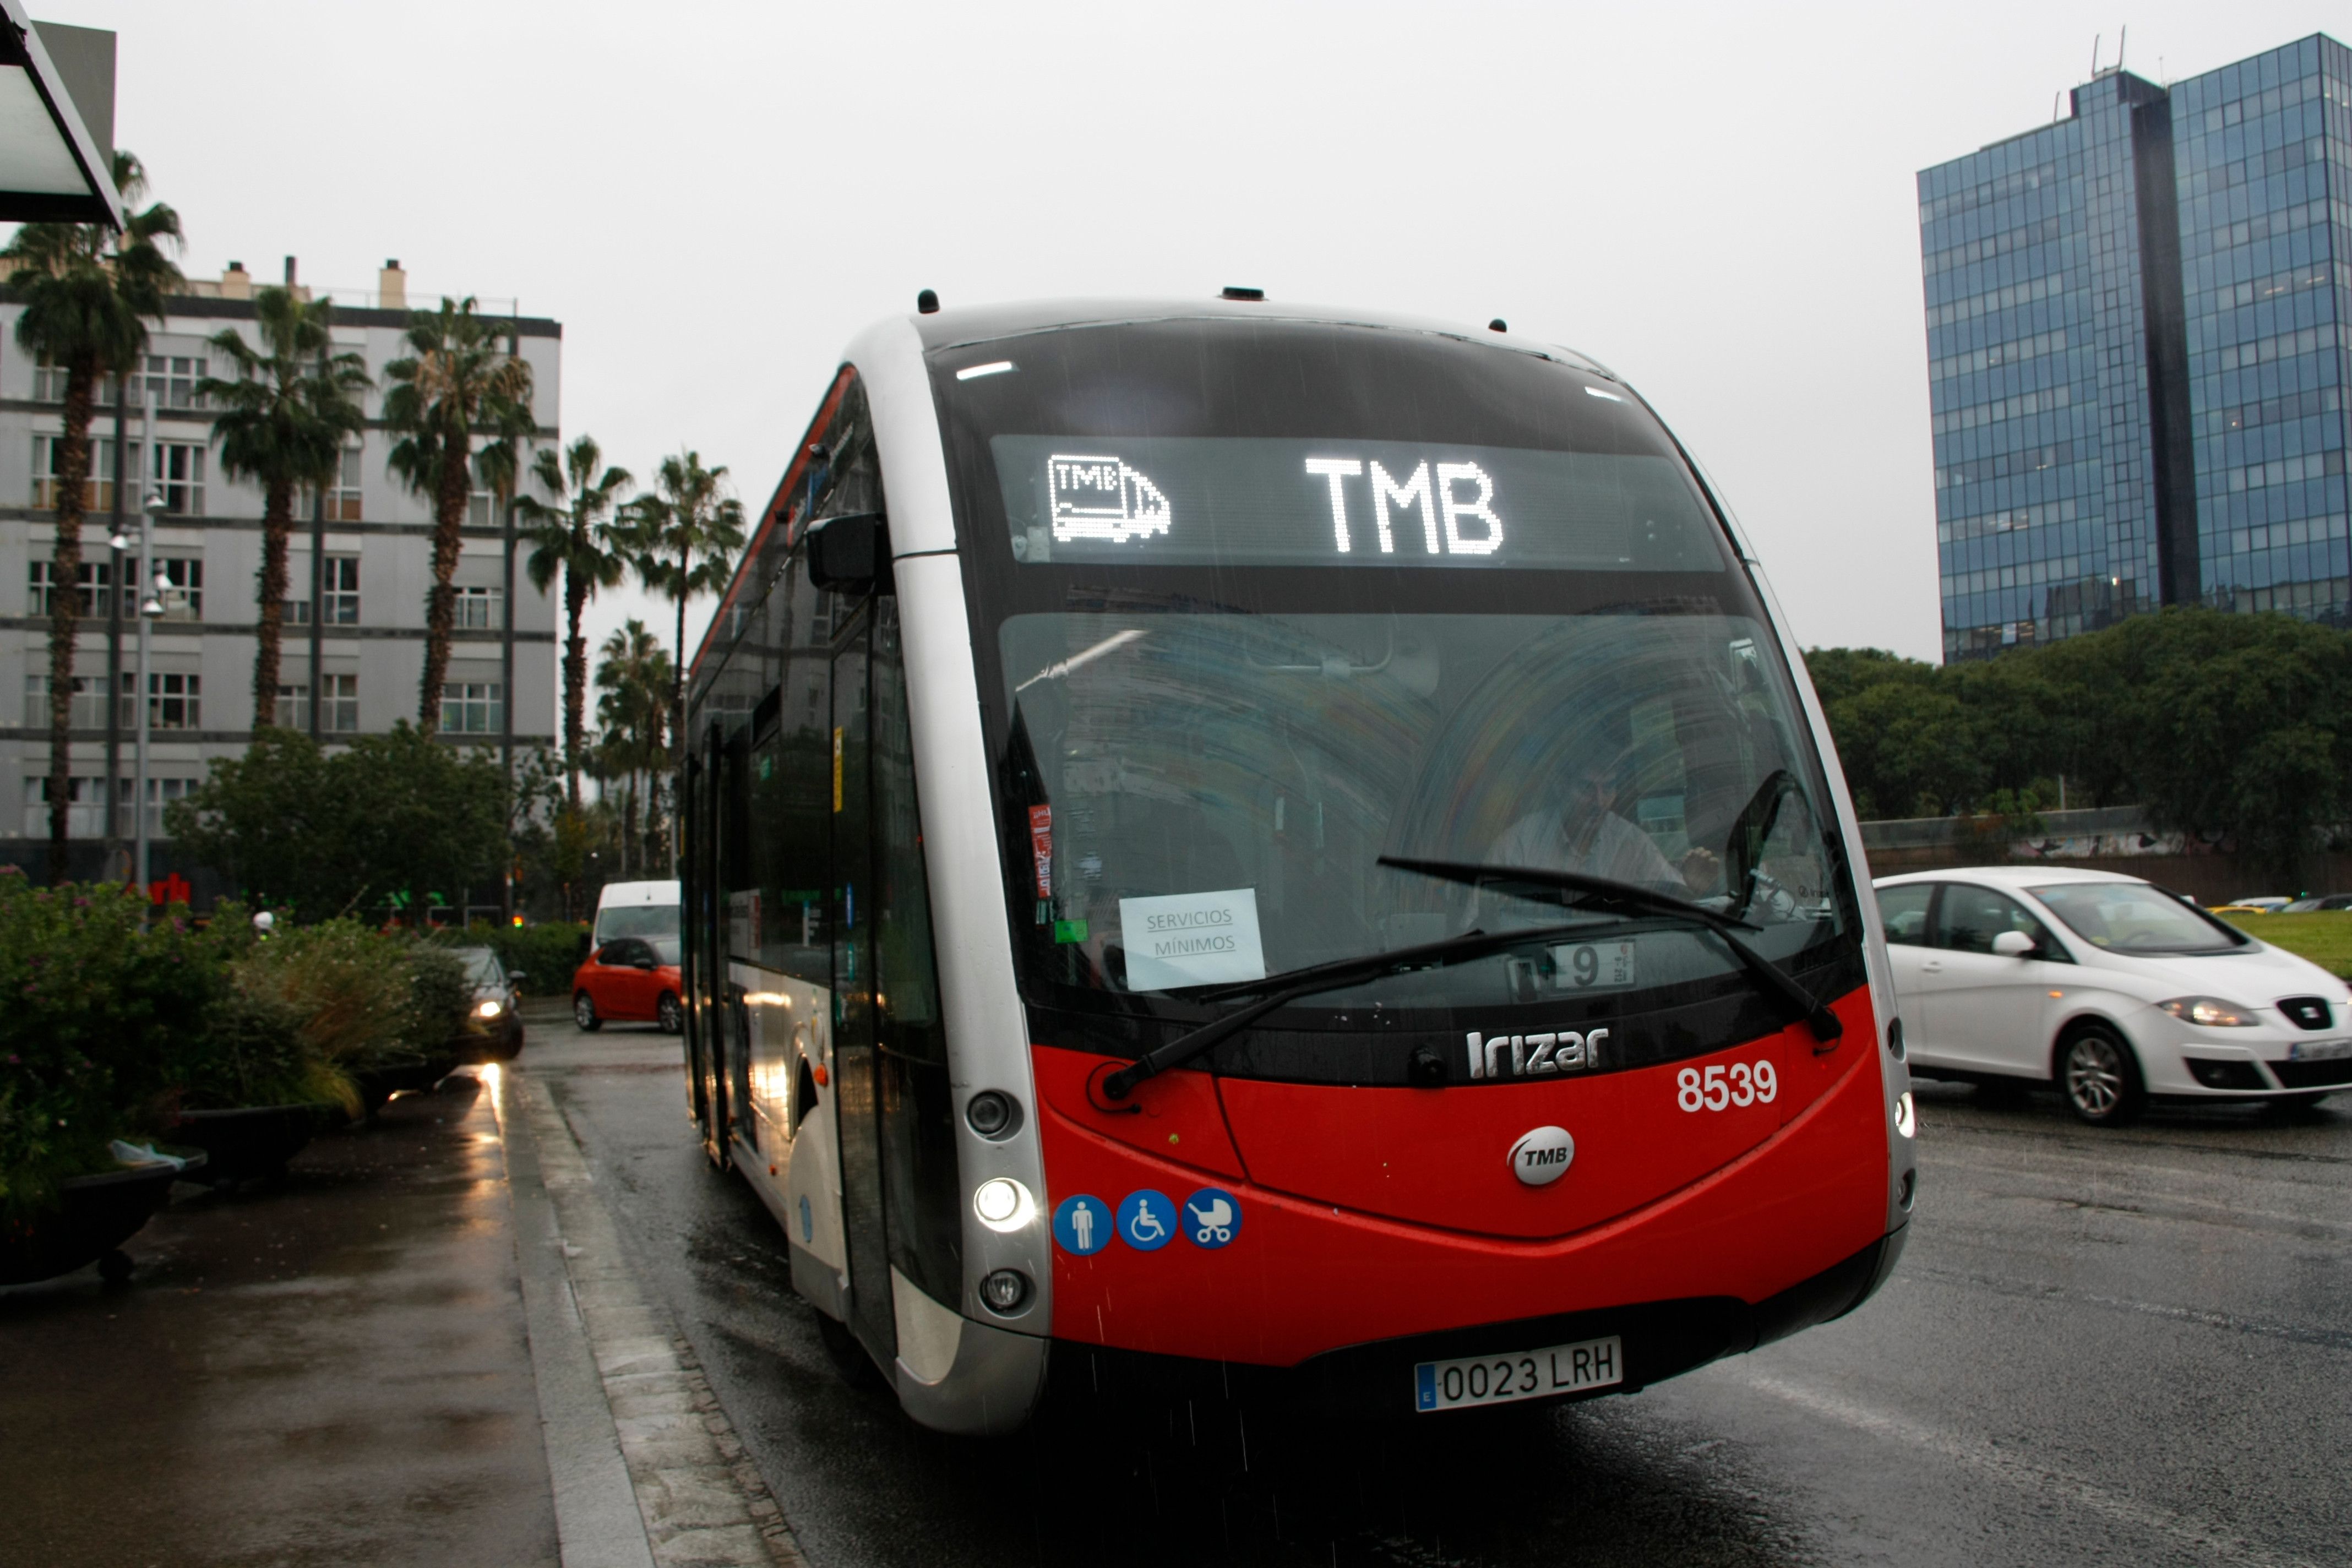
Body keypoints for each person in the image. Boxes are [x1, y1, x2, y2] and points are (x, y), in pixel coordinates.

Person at [1490, 760, 1683, 894]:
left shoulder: (1631, 841)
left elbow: (1675, 898)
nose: (1599, 802)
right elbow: (1477, 924)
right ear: (1561, 786)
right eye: (1586, 788)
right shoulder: (1520, 844)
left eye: (1607, 788)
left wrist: (1692, 884)